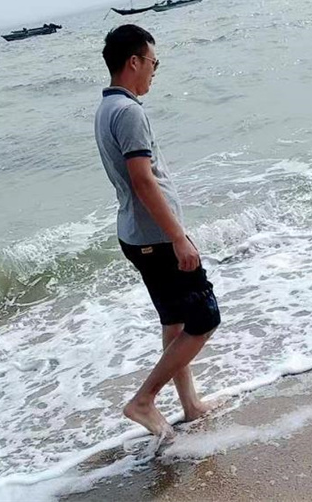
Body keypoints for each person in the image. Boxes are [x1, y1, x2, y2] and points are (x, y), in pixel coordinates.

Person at [94, 24, 221, 439]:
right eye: (153, 62)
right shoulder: (129, 112)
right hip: (155, 238)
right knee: (205, 317)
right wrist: (178, 237)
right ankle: (144, 400)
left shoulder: (107, 108)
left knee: (175, 321)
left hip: (137, 234)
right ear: (134, 62)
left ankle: (190, 404)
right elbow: (142, 180)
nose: (154, 70)